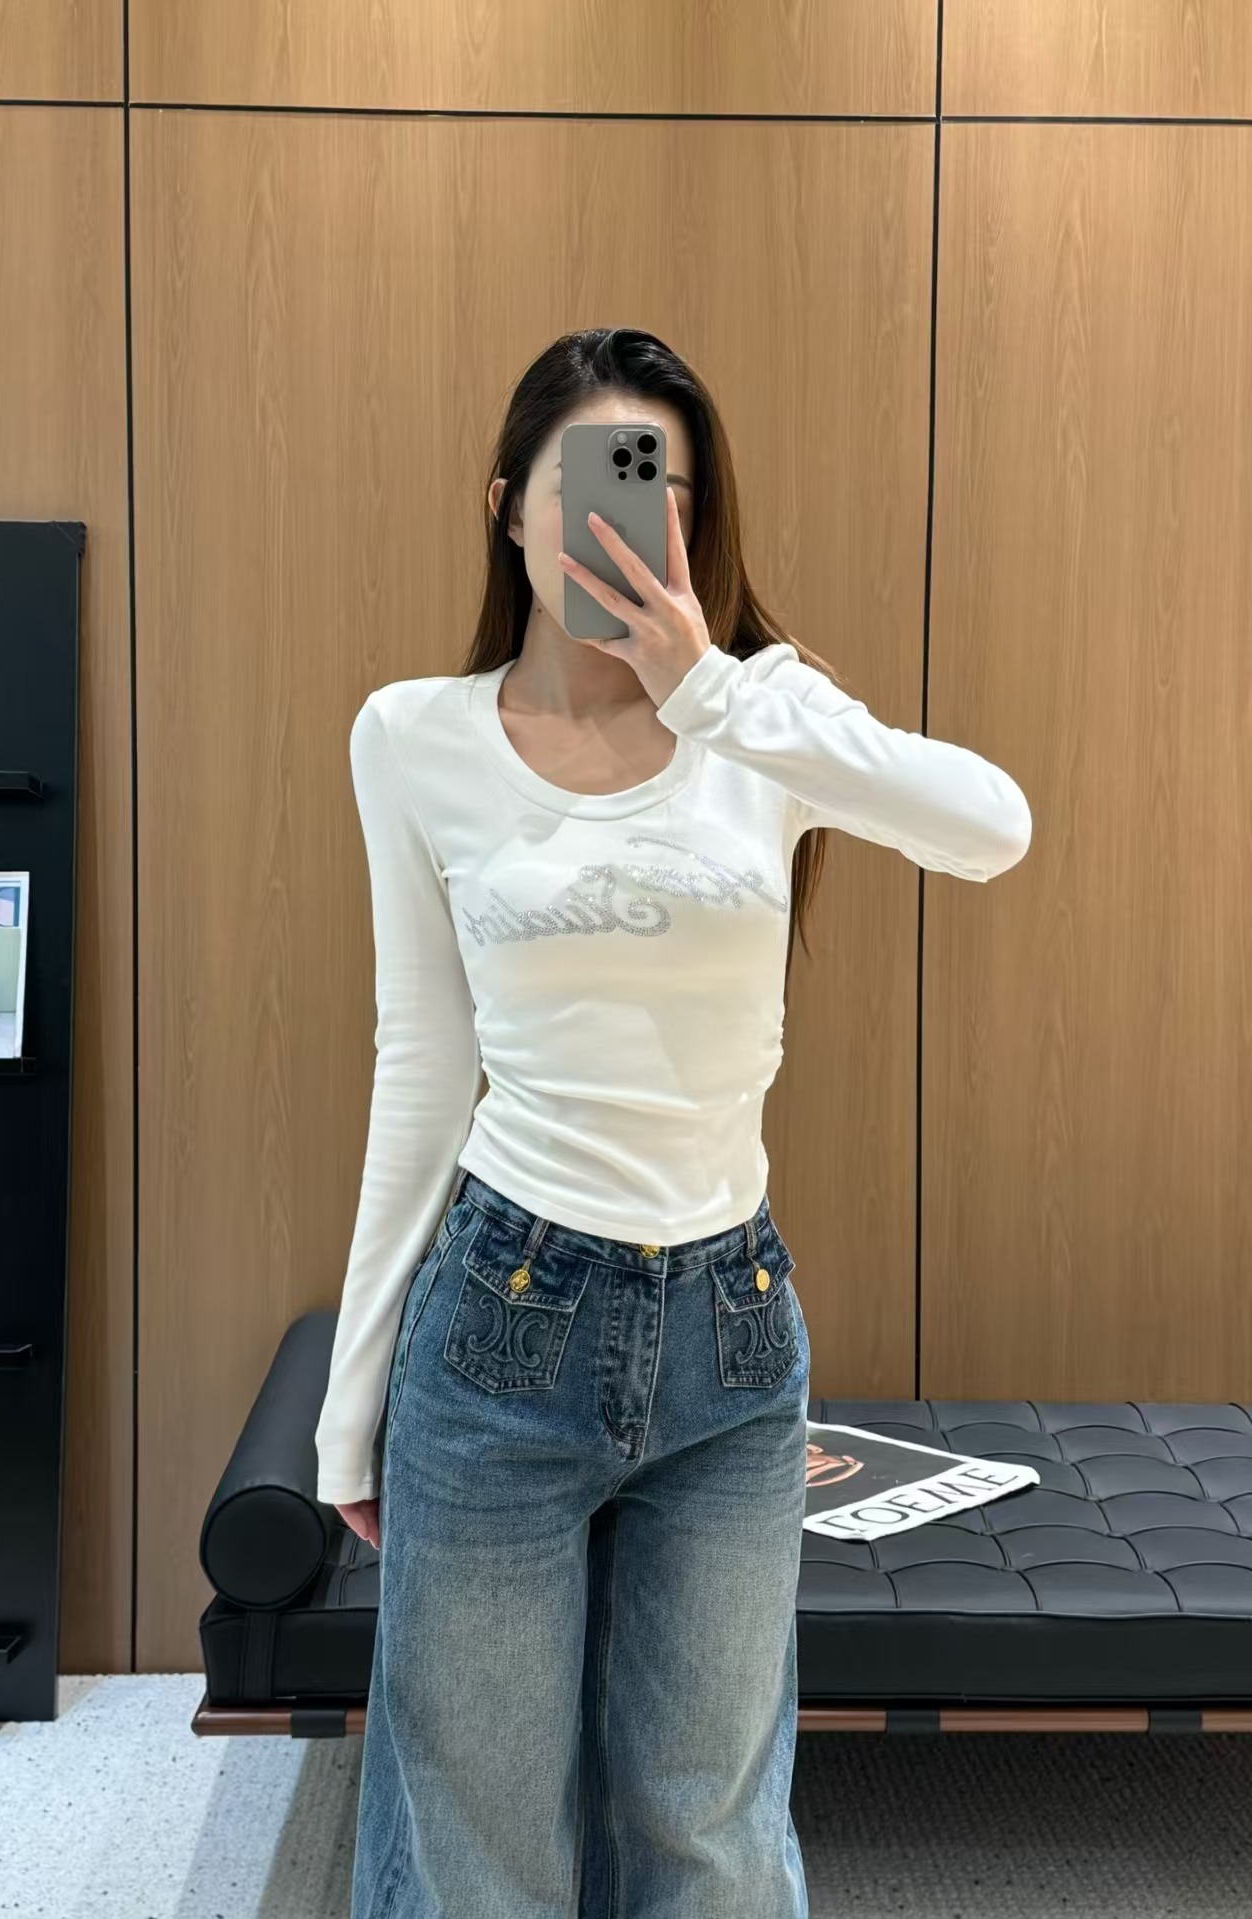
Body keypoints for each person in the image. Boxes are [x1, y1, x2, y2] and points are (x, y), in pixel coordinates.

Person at [318, 326, 1032, 1918]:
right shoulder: (412, 736)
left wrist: (711, 692)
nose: (620, 526)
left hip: (732, 1329)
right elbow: (419, 1063)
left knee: (712, 1844)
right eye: (582, 487)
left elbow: (994, 828)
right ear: (506, 503)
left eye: (661, 491)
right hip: (499, 1321)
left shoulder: (763, 720)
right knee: (474, 1850)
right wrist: (350, 1399)